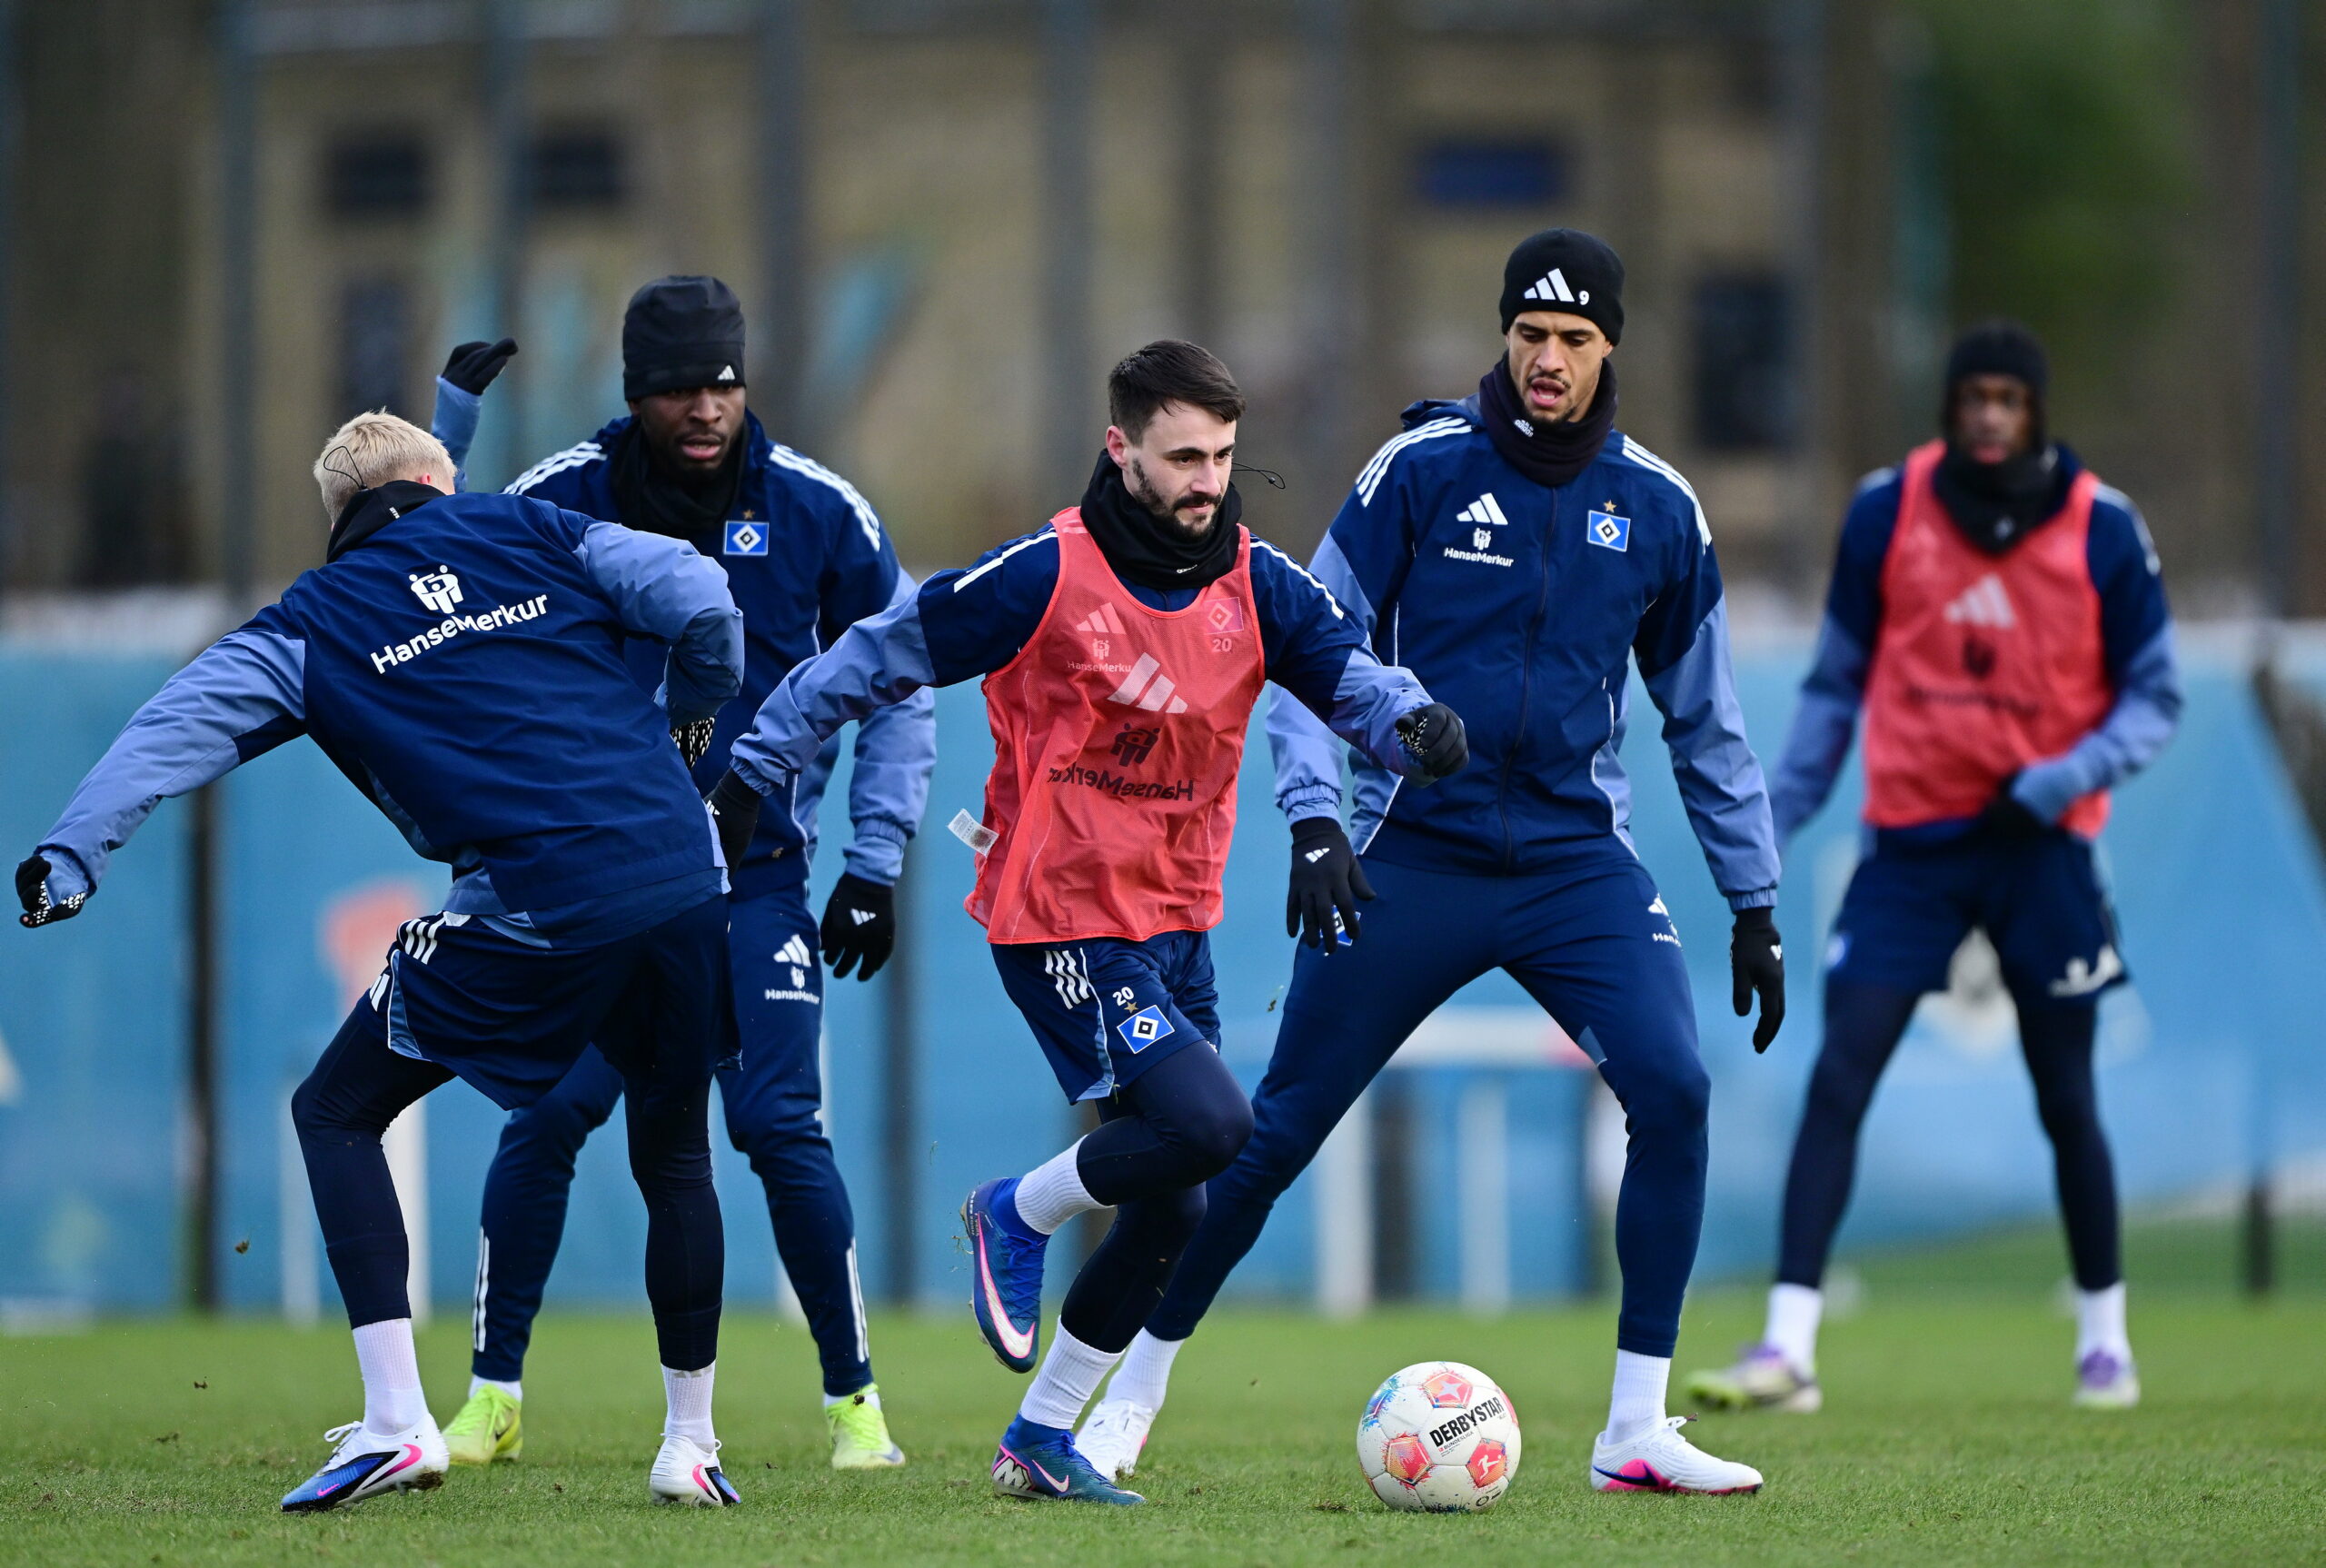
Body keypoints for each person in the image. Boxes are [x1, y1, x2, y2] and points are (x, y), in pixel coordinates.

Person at [1069, 229, 1786, 1497]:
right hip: (1412, 851)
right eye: (1530, 335)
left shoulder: (1662, 510)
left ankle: (1634, 1425)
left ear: (1611, 345)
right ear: (1503, 335)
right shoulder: (1421, 469)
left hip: (1575, 862)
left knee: (1674, 1090)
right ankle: (1131, 1393)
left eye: (1573, 339)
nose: (1548, 359)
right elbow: (1300, 648)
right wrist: (1314, 817)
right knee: (1269, 1131)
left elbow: (1706, 720)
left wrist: (1755, 899)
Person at [717, 340, 1466, 1504]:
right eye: (1180, 456)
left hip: (1174, 922)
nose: (1205, 479)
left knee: (1177, 1201)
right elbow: (874, 656)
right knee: (1216, 1125)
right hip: (1058, 913)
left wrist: (1412, 723)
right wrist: (758, 762)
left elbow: (1349, 672)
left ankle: (1041, 1437)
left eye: (1221, 454)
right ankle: (1010, 1210)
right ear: (1121, 449)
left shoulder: (1258, 586)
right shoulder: (1040, 576)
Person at [16, 412, 750, 1511]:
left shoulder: (313, 620)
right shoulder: (532, 528)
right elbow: (699, 596)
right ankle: (690, 1446)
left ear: (339, 517)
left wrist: (74, 848)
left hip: (541, 896)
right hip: (683, 873)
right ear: (437, 481)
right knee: (676, 1152)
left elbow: (176, 723)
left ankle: (400, 1423)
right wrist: (688, 722)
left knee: (337, 1107)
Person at [427, 277, 933, 1471]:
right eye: (677, 386)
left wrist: (873, 860)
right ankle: (493, 1395)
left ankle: (854, 1406)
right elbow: (421, 561)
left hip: (753, 882)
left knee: (777, 1125)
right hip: (599, 885)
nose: (705, 406)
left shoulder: (818, 512)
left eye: (722, 380)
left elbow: (902, 678)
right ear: (634, 394)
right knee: (546, 1114)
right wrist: (447, 430)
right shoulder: (565, 496)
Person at [1687, 322, 2180, 1415]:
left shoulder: (2101, 527)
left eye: (2010, 398)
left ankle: (2104, 1335)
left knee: (2066, 1094)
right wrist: (1774, 815)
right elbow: (1834, 685)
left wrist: (2063, 775)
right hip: (1911, 847)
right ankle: (1788, 1345)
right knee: (1839, 1075)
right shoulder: (1886, 510)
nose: (1990, 417)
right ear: (1949, 407)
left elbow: (2154, 696)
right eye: (1974, 397)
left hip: (2040, 850)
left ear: (2035, 411)